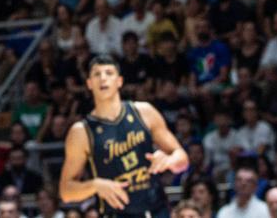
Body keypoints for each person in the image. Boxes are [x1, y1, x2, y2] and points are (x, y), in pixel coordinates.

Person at [59, 55, 188, 217]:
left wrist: (169, 161)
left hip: (156, 209)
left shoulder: (144, 112)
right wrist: (95, 185)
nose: (103, 78)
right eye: (97, 74)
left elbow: (183, 159)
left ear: (119, 81)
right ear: (89, 84)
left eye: (108, 73)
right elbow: (66, 191)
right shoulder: (81, 131)